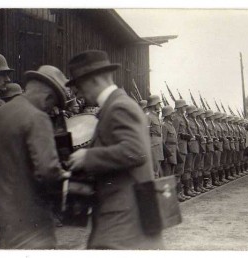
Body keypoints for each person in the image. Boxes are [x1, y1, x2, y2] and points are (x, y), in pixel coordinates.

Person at [66, 50, 163, 249]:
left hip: (123, 222)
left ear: (93, 80)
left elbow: (135, 151)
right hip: (126, 219)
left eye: (78, 85)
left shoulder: (118, 107)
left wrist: (88, 156)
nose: (77, 93)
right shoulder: (116, 105)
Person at [0, 65, 70, 249]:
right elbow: (48, 171)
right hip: (31, 226)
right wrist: (68, 180)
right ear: (48, 96)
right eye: (53, 102)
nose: (51, 108)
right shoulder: (37, 118)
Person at [172, 99, 192, 200]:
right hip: (180, 146)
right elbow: (174, 134)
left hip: (184, 146)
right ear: (180, 107)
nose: (185, 108)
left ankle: (182, 192)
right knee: (178, 171)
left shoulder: (182, 117)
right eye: (184, 106)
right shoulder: (176, 118)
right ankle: (177, 194)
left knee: (182, 170)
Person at [146, 95, 164, 179]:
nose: (160, 105)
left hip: (158, 146)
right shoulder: (148, 116)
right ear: (154, 104)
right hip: (153, 147)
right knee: (153, 172)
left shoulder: (155, 116)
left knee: (157, 172)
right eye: (158, 103)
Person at [161, 106, 178, 178]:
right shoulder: (164, 125)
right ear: (167, 114)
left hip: (173, 151)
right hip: (168, 152)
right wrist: (165, 155)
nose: (173, 115)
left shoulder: (171, 125)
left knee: (172, 173)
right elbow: (163, 141)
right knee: (167, 173)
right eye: (172, 114)